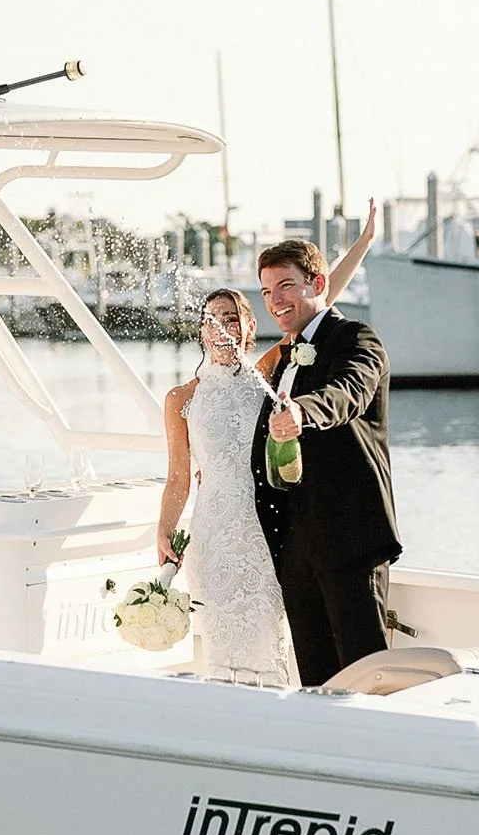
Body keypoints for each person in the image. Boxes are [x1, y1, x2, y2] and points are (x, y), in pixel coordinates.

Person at [156, 216, 375, 687]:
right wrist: (165, 536)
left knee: (265, 643)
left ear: (249, 328)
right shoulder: (181, 400)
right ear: (200, 331)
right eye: (211, 320)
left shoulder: (268, 374)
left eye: (231, 319)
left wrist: (363, 244)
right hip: (211, 535)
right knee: (217, 646)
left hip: (263, 532)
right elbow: (178, 478)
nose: (220, 328)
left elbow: (319, 300)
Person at [252, 235, 399, 687]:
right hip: (295, 543)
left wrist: (302, 411)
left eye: (286, 286)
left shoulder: (356, 338)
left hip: (348, 538)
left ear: (318, 283)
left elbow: (349, 392)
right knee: (314, 678)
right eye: (267, 291)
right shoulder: (285, 356)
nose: (276, 300)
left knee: (365, 673)